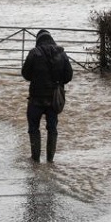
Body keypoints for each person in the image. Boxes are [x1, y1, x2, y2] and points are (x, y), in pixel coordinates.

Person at [21, 30, 73, 163]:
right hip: (53, 100)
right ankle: (50, 160)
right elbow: (69, 76)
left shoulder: (34, 53)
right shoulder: (61, 53)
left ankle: (35, 160)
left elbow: (25, 74)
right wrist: (58, 83)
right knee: (52, 129)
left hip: (35, 99)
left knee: (33, 128)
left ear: (38, 40)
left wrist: (37, 77)